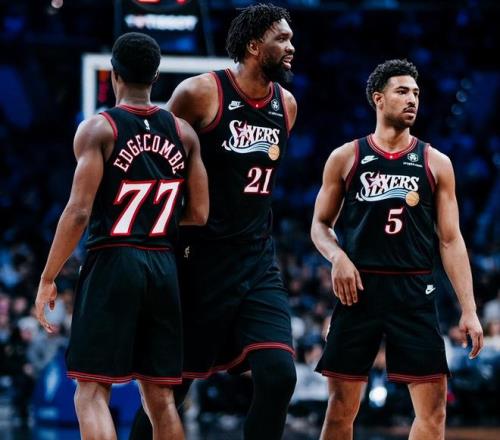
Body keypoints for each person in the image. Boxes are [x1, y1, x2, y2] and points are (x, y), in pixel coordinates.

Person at [130, 4, 297, 439]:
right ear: (254, 45)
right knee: (169, 390)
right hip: (197, 261)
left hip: (257, 261)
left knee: (279, 375)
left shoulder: (286, 105)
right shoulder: (200, 93)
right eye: (282, 38)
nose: (291, 46)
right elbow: (154, 159)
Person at [35, 32, 208, 440]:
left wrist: (47, 277)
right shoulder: (184, 133)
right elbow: (200, 214)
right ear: (156, 76)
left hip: (114, 259)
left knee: (91, 391)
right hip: (163, 265)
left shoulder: (99, 129)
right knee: (160, 397)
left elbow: (78, 212)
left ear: (113, 74)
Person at [310, 59, 484, 440]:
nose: (412, 100)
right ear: (378, 99)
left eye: (416, 93)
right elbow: (319, 226)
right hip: (359, 291)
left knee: (433, 412)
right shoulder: (346, 157)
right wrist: (338, 257)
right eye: (402, 91)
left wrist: (469, 309)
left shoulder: (436, 162)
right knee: (340, 411)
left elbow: (451, 240)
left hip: (414, 291)